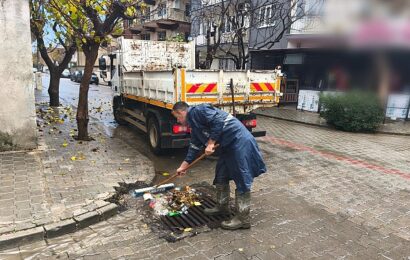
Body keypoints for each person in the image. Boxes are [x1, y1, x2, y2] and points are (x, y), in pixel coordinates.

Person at [172, 102, 266, 230]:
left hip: (239, 142)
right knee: (221, 174)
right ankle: (222, 207)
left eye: (177, 117)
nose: (178, 120)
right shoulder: (194, 125)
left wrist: (210, 143)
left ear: (181, 112)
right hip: (227, 147)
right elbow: (194, 147)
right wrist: (183, 166)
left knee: (242, 178)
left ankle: (243, 219)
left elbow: (218, 121)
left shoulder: (199, 110)